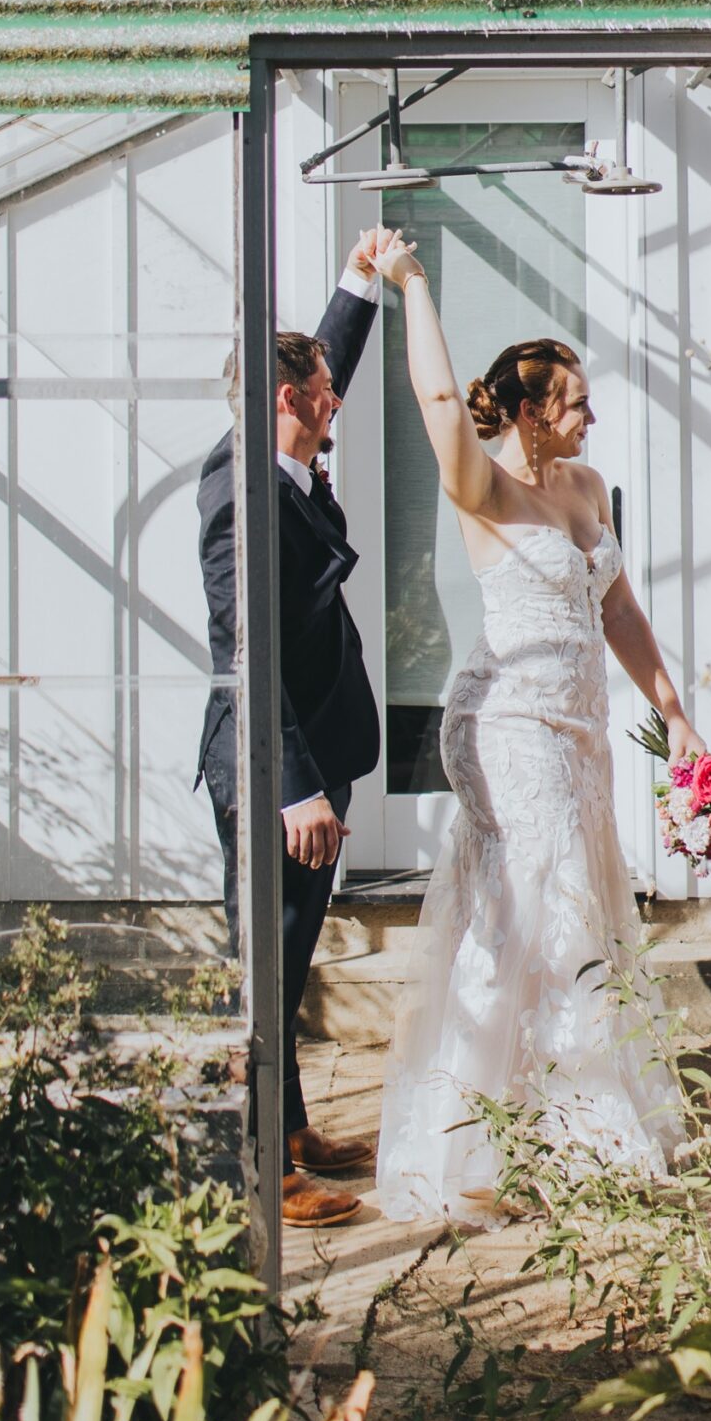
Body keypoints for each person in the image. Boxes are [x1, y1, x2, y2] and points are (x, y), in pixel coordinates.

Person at [368, 232, 704, 1220]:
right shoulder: (487, 491)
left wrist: (674, 714)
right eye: (574, 402)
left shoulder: (588, 490)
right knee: (542, 909)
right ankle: (551, 1138)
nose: (592, 415)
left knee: (567, 908)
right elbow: (436, 405)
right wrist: (414, 284)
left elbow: (621, 610)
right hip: (507, 726)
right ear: (524, 411)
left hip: (583, 732)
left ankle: (534, 1120)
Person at [196, 226, 399, 1228]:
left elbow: (319, 357)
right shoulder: (242, 498)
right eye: (321, 389)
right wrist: (294, 787)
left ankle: (294, 1132)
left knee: (289, 956)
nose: (335, 398)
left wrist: (357, 284)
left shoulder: (277, 450)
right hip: (277, 772)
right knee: (266, 971)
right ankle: (265, 1172)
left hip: (314, 755)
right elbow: (248, 654)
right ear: (286, 400)